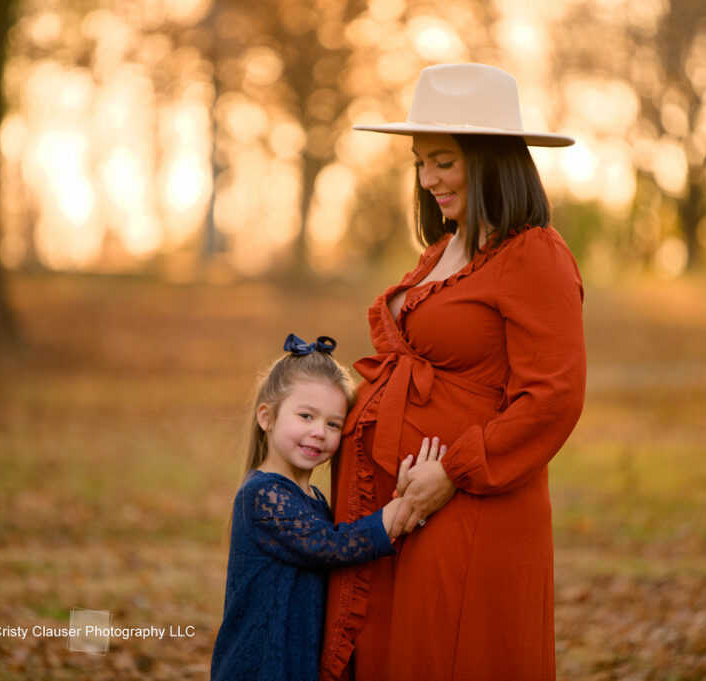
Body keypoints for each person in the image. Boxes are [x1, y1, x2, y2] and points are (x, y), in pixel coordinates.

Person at [320, 64, 587, 681]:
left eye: (443, 160)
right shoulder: (442, 250)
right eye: (419, 161)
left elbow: (553, 398)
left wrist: (453, 472)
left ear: (491, 157)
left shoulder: (534, 254)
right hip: (395, 512)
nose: (426, 178)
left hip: (468, 509)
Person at [210, 333, 446, 681]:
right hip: (261, 664)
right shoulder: (263, 495)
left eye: (333, 424)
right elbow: (332, 546)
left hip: (296, 659)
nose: (319, 432)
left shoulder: (313, 500)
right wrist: (404, 507)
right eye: (306, 416)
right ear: (266, 417)